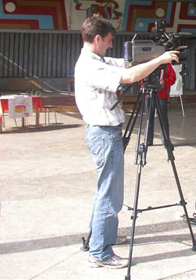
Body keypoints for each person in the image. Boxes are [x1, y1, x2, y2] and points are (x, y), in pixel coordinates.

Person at [74, 14, 179, 268]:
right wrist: (162, 59)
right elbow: (130, 77)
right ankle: (100, 252)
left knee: (106, 191)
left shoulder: (97, 59)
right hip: (104, 134)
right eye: (108, 40)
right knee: (110, 195)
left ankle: (102, 238)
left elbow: (129, 64)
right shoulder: (91, 65)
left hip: (104, 133)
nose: (111, 45)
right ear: (97, 38)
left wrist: (158, 52)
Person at [146, 63, 176, 146]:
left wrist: (165, 82)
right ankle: (148, 140)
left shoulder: (167, 65)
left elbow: (172, 78)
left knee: (163, 118)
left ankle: (166, 140)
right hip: (148, 94)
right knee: (149, 118)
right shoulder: (147, 63)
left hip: (162, 95)